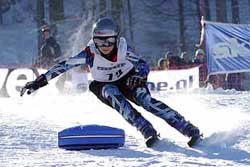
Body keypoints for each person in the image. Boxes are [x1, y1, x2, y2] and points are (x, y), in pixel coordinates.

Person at [20, 17, 202, 147]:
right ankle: (145, 129)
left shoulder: (123, 48)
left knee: (146, 101)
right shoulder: (90, 53)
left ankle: (186, 127)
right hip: (103, 85)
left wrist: (141, 76)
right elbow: (63, 66)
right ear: (94, 40)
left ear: (116, 39)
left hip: (128, 79)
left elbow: (143, 64)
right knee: (113, 95)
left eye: (109, 40)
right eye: (100, 41)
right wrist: (38, 82)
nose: (105, 45)